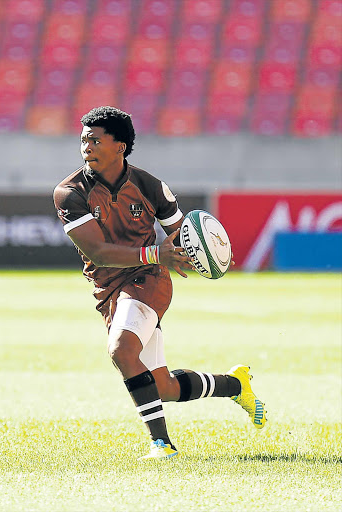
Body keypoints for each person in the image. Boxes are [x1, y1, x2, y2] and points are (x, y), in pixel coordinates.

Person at [53, 106, 267, 460]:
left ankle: (161, 445)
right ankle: (235, 385)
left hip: (148, 279)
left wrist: (204, 252)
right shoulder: (69, 192)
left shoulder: (151, 187)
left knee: (122, 351)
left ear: (120, 146)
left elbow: (180, 237)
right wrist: (156, 253)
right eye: (83, 140)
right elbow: (98, 252)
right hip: (108, 285)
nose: (85, 147)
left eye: (94, 140)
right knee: (163, 387)